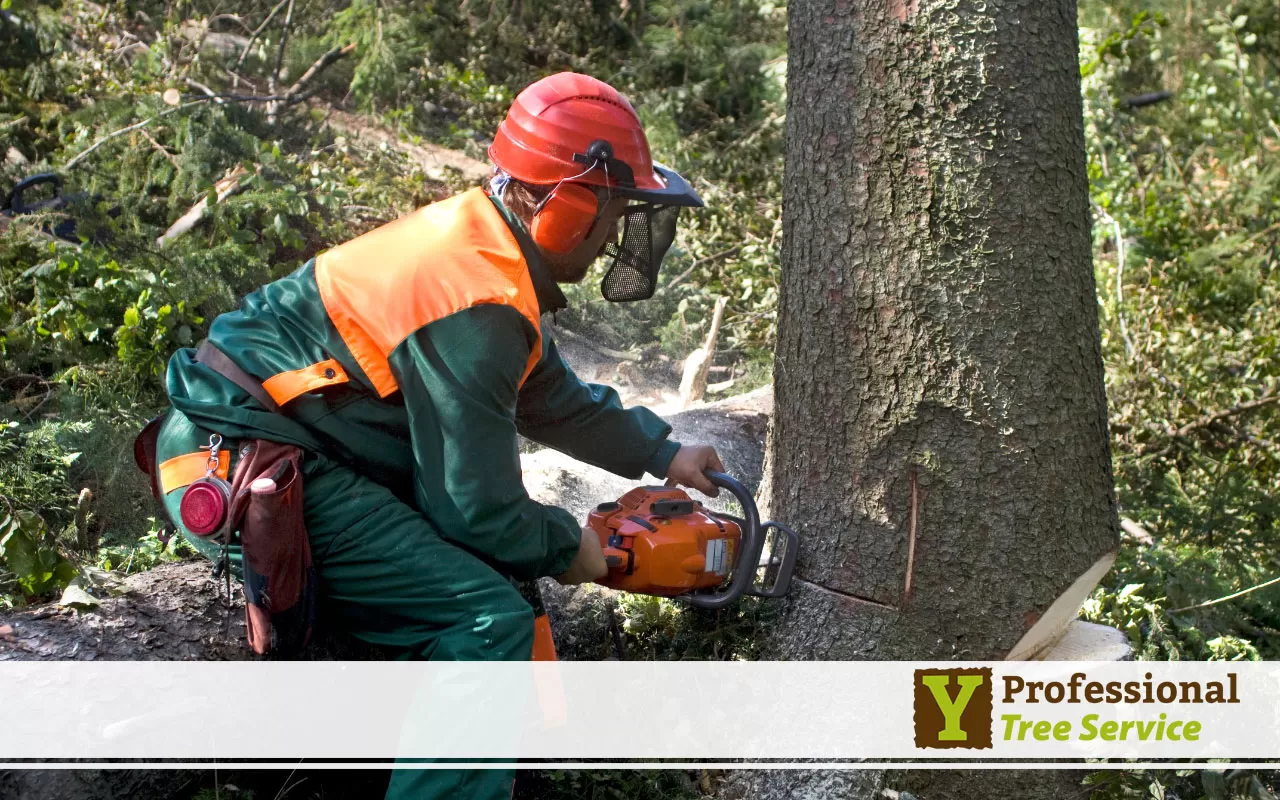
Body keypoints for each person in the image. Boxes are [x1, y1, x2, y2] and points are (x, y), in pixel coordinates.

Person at [149, 71, 724, 799]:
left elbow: (550, 398)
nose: (614, 238)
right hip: (248, 463)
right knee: (485, 620)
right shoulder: (476, 301)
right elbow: (475, 509)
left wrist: (663, 453)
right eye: (613, 214)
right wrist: (571, 549)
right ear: (567, 206)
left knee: (485, 585)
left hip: (287, 442)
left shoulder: (483, 255)